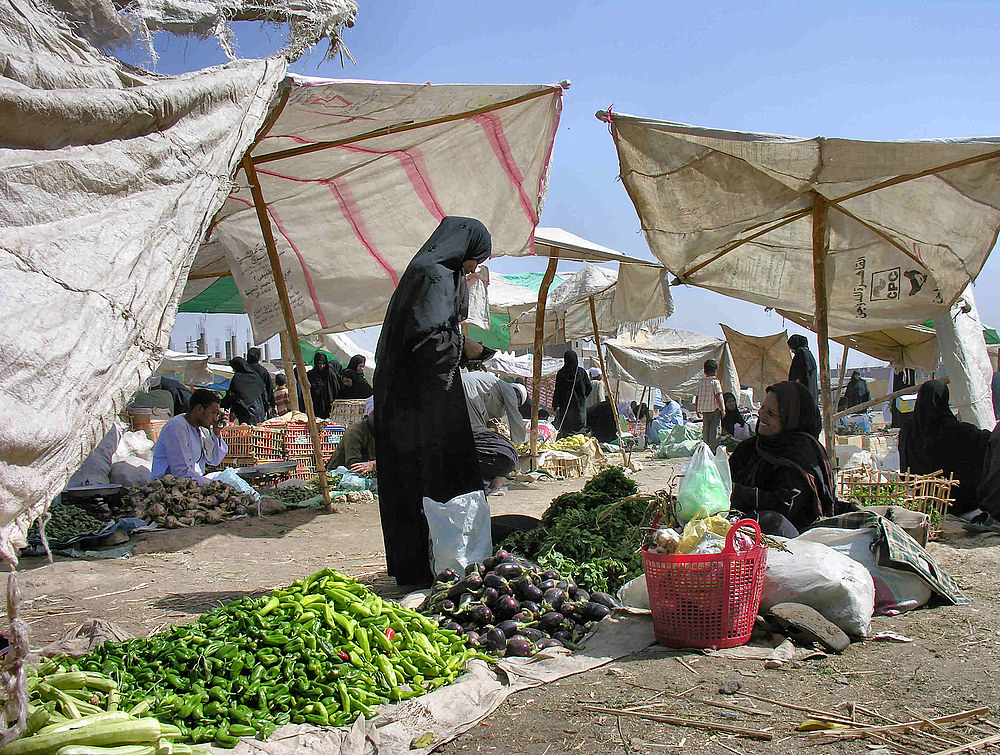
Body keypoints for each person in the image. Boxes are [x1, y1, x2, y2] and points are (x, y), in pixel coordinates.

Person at [374, 216, 492, 587]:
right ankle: (435, 565)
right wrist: (466, 347)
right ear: (464, 247)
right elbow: (430, 342)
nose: (475, 268)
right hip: (422, 403)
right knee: (432, 478)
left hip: (406, 398)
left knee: (408, 481)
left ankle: (416, 566)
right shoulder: (435, 275)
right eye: (477, 258)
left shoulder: (422, 271)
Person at [729, 381, 837, 536]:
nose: (762, 415)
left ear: (791, 420)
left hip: (787, 536)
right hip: (739, 526)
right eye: (763, 407)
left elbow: (787, 505)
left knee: (771, 520)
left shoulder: (801, 454)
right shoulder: (748, 448)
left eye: (771, 413)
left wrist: (738, 492)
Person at [899, 380, 990, 515]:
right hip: (956, 501)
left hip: (923, 497)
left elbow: (904, 469)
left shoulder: (908, 430)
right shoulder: (954, 430)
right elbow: (983, 441)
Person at [151, 389, 228, 484]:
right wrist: (210, 484)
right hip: (171, 485)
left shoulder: (202, 429)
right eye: (213, 412)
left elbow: (214, 460)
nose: (215, 418)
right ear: (200, 409)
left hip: (194, 481)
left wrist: (216, 432)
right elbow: (181, 472)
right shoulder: (177, 426)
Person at [461, 369, 528, 447]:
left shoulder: (498, 389)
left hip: (462, 384)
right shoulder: (510, 391)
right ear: (517, 395)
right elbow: (515, 417)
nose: (515, 404)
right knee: (476, 435)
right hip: (469, 390)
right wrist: (522, 441)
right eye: (517, 403)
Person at [329, 398, 377, 475]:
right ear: (369, 414)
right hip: (342, 476)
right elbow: (353, 465)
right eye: (375, 414)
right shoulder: (355, 431)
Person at [552, 350, 592, 439]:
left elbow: (557, 391)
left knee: (567, 431)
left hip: (566, 407)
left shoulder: (561, 373)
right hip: (579, 407)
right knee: (580, 430)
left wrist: (555, 405)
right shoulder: (581, 372)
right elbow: (589, 387)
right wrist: (582, 397)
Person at [220, 357, 267, 425]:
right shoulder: (256, 377)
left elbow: (231, 395)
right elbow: (264, 395)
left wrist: (221, 404)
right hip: (260, 411)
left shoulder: (237, 378)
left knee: (247, 432)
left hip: (247, 412)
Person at [695, 359, 725, 452]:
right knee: (714, 431)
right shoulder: (715, 382)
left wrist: (697, 410)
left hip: (704, 411)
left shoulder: (700, 382)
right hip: (714, 410)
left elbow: (697, 397)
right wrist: (722, 409)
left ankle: (706, 450)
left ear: (704, 371)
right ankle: (713, 451)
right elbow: (718, 396)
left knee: (706, 431)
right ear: (715, 371)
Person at [307, 352, 342, 419]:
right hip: (316, 406)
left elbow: (336, 389)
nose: (322, 366)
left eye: (323, 363)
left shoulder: (330, 373)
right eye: (319, 363)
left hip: (329, 406)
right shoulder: (311, 375)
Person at [787, 334, 820, 405]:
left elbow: (798, 373)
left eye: (791, 348)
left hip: (802, 393)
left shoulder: (800, 353)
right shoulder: (808, 354)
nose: (792, 351)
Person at [246, 347, 275, 414]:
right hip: (260, 404)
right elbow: (269, 389)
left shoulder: (242, 370)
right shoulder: (262, 371)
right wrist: (272, 404)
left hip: (244, 405)